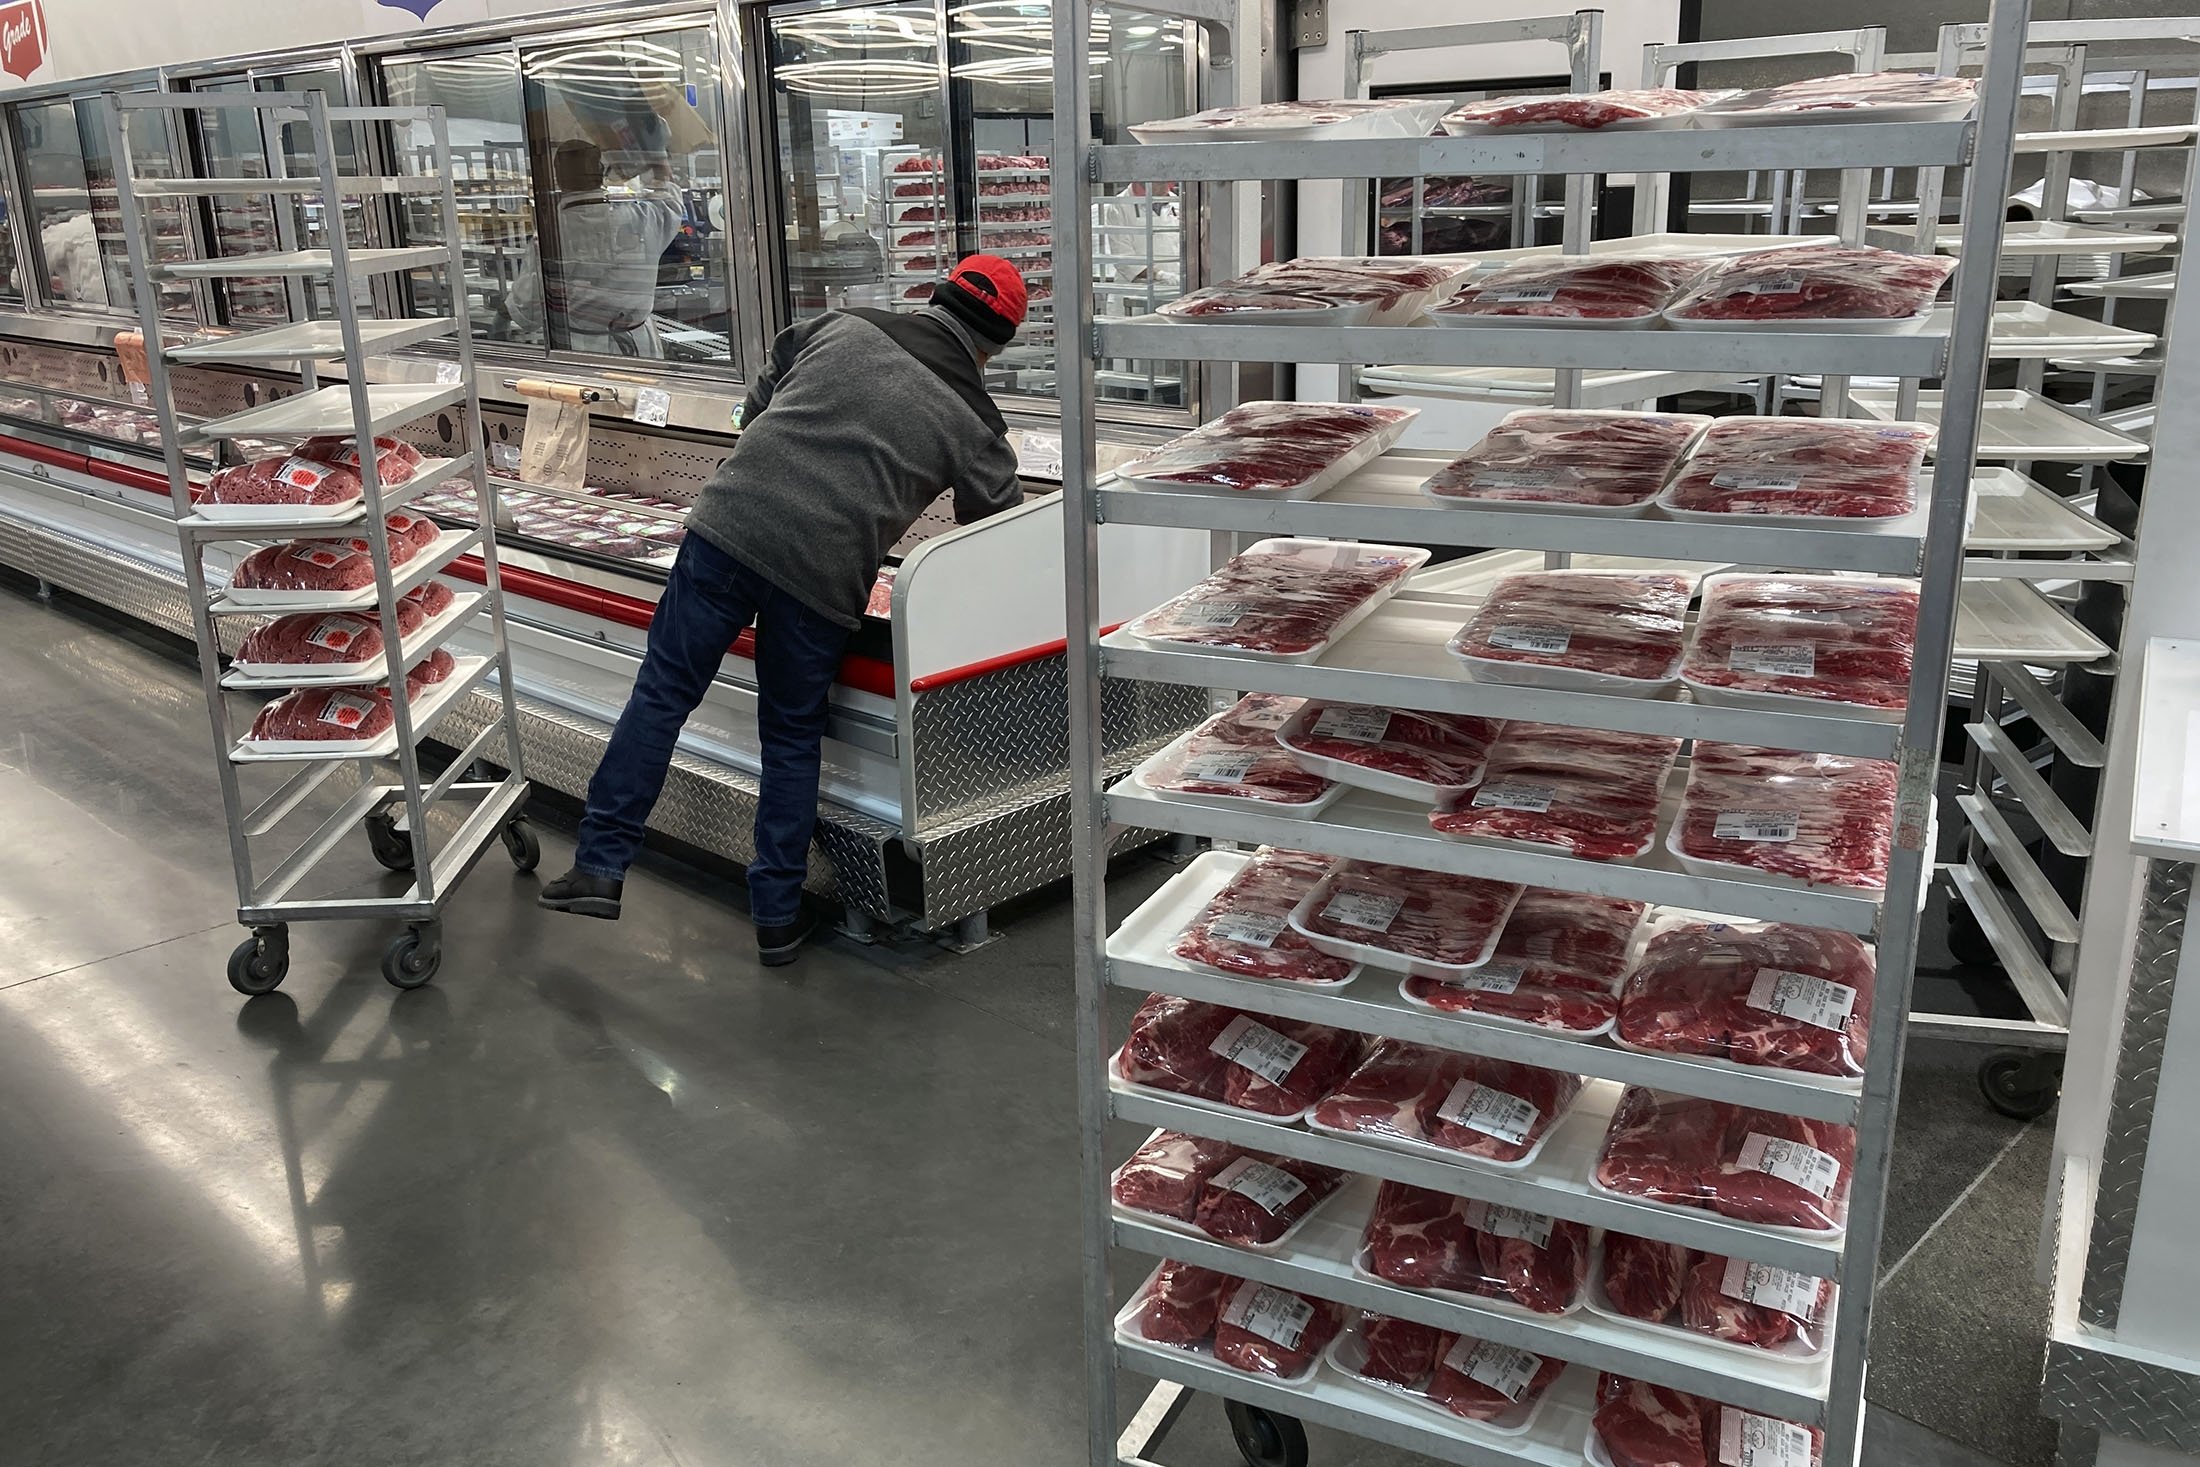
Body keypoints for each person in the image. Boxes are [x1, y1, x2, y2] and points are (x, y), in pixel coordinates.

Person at [538, 255, 1030, 965]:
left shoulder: (843, 324)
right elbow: (997, 528)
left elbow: (762, 397)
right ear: (995, 346)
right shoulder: (977, 421)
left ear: (934, 296)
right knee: (791, 736)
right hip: (825, 574)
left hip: (730, 525)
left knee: (662, 695)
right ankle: (776, 916)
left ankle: (600, 865)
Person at [504, 138, 684, 357]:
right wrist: (653, 153)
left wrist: (500, 318)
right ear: (600, 172)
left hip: (583, 350)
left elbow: (527, 308)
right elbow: (670, 200)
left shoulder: (550, 234)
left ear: (558, 177)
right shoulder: (641, 218)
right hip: (641, 346)